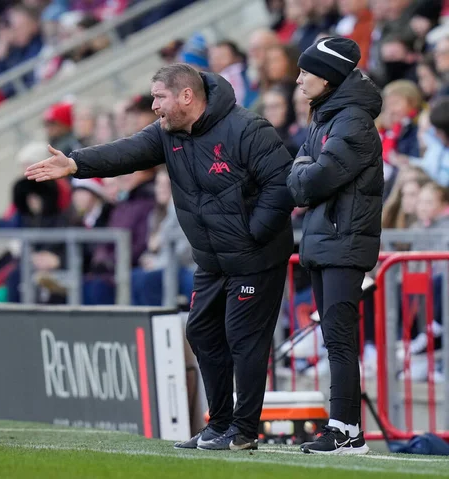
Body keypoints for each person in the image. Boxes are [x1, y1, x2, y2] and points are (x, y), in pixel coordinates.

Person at [26, 63, 295, 451]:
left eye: (159, 97)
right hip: (212, 260)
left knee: (244, 339)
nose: (154, 106)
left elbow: (281, 185)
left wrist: (253, 233)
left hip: (256, 256)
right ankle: (219, 425)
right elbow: (128, 151)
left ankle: (244, 431)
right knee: (201, 331)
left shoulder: (247, 128)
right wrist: (75, 164)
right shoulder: (169, 133)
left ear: (186, 96)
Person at [287, 37, 383, 455]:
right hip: (329, 242)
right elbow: (300, 173)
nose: (298, 79)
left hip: (343, 242)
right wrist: (304, 169)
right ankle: (344, 428)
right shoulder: (329, 118)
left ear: (327, 77)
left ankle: (346, 430)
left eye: (305, 72)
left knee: (341, 341)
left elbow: (310, 181)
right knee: (335, 340)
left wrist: (304, 170)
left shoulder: (352, 122)